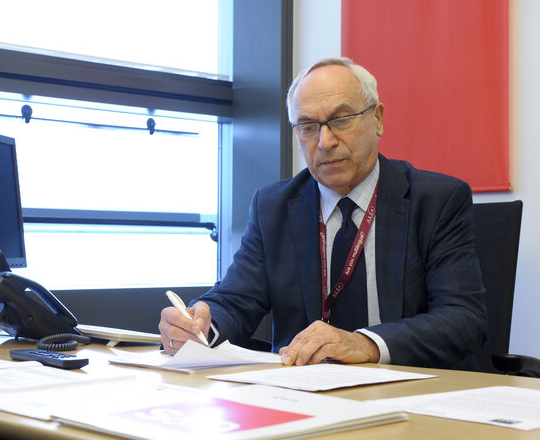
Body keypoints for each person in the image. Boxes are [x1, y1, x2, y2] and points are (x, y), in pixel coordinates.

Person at [159, 57, 488, 370]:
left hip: (407, 390)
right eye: (307, 126)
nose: (325, 141)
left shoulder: (436, 201)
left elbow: (463, 318)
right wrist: (202, 324)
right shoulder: (273, 206)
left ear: (377, 119)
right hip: (302, 392)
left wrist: (366, 344)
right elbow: (235, 300)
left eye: (340, 120)